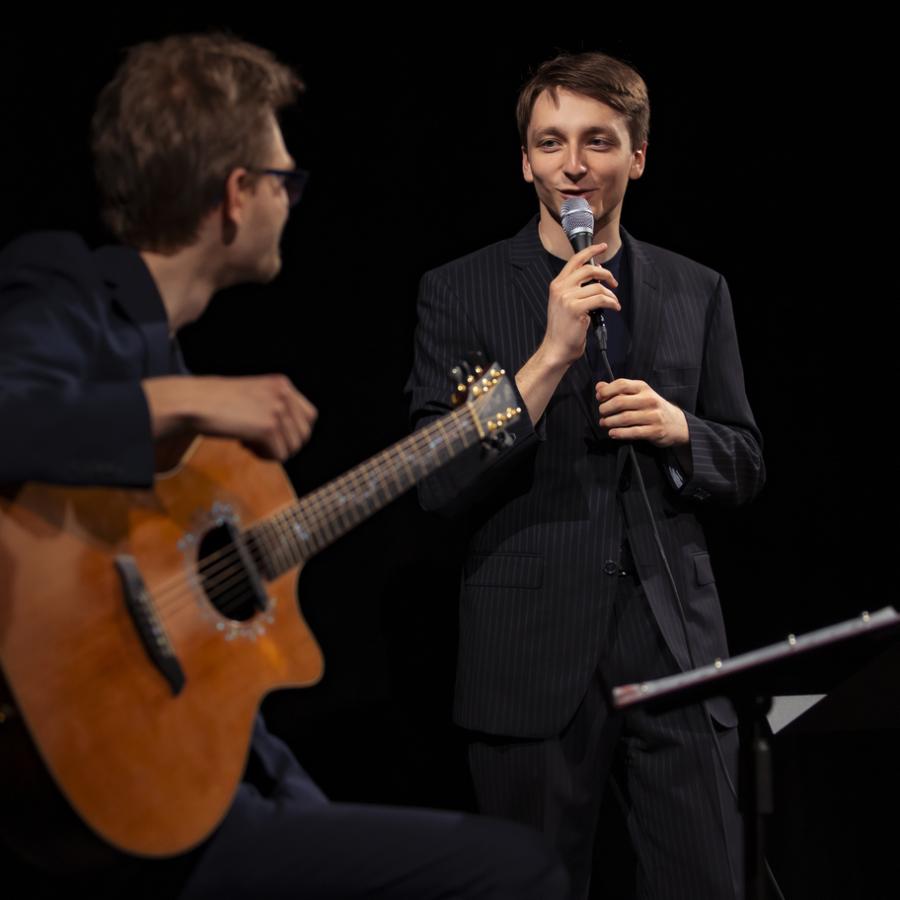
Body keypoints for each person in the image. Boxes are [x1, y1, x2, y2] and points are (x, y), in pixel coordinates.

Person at [0, 33, 569, 900]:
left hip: (187, 790)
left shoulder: (174, 389)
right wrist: (184, 401)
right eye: (284, 182)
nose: (290, 202)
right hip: (90, 791)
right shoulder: (63, 287)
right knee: (524, 873)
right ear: (237, 195)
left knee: (501, 859)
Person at [406, 51, 765, 900]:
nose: (573, 164)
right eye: (551, 142)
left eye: (598, 141)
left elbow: (746, 461)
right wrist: (547, 359)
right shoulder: (459, 291)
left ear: (636, 157)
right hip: (531, 653)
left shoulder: (696, 288)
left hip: (676, 645)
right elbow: (433, 476)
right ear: (524, 161)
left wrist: (682, 432)